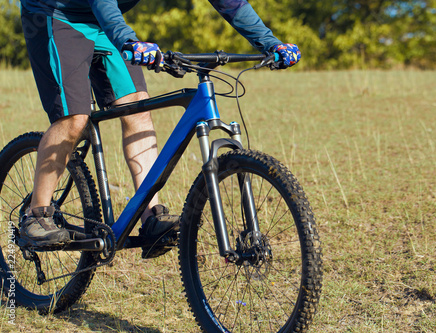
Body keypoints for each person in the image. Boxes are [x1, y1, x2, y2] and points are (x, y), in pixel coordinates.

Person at [18, 0, 301, 259]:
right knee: (75, 119)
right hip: (55, 14)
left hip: (102, 22)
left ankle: (151, 217)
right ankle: (37, 214)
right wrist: (128, 39)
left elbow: (230, 3)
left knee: (139, 110)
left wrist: (269, 43)